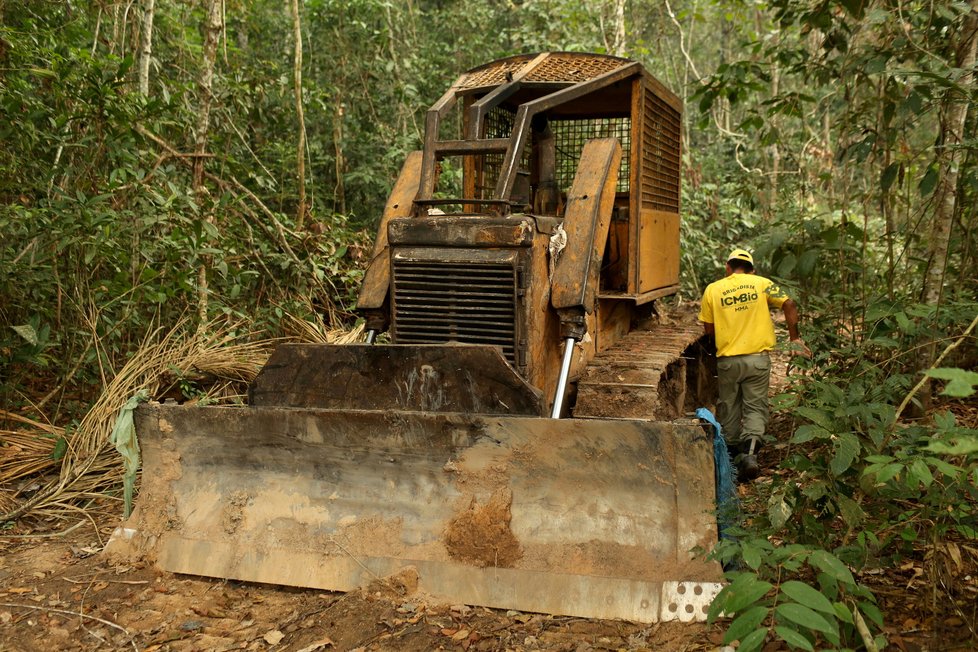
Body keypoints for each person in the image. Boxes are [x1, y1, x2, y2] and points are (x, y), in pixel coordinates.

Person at [698, 248, 811, 480]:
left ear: (728, 268)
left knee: (728, 405)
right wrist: (795, 338)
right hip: (757, 360)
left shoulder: (713, 289)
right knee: (755, 406)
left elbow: (708, 329)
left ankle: (728, 460)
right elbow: (789, 303)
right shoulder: (761, 283)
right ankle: (750, 455)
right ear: (752, 270)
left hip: (728, 360)